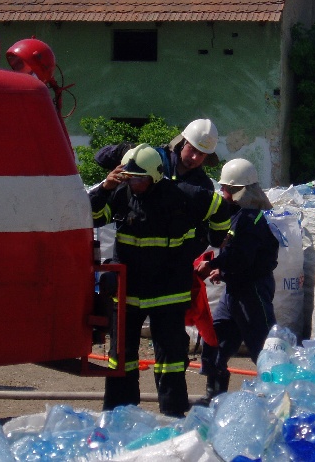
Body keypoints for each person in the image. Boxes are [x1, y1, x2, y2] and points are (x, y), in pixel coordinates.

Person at [89, 143, 230, 417]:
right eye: (129, 178)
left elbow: (220, 208)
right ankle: (120, 415)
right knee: (121, 357)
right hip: (129, 293)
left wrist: (210, 239)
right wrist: (105, 187)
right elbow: (93, 216)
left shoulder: (182, 194)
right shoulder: (121, 193)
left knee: (171, 360)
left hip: (168, 293)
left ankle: (173, 415)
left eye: (138, 179)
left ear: (154, 176)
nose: (133, 184)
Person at [195, 158, 279, 405]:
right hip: (235, 289)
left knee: (263, 347)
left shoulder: (250, 219)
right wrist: (223, 272)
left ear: (236, 190)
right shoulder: (239, 215)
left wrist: (215, 265)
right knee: (216, 338)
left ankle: (276, 395)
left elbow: (242, 256)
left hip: (252, 291)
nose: (222, 192)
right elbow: (238, 256)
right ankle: (214, 395)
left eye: (225, 188)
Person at [95, 118, 219, 191]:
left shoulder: (204, 186)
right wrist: (124, 150)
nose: (195, 157)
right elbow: (101, 158)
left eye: (201, 154)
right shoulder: (155, 157)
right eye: (192, 149)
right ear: (183, 143)